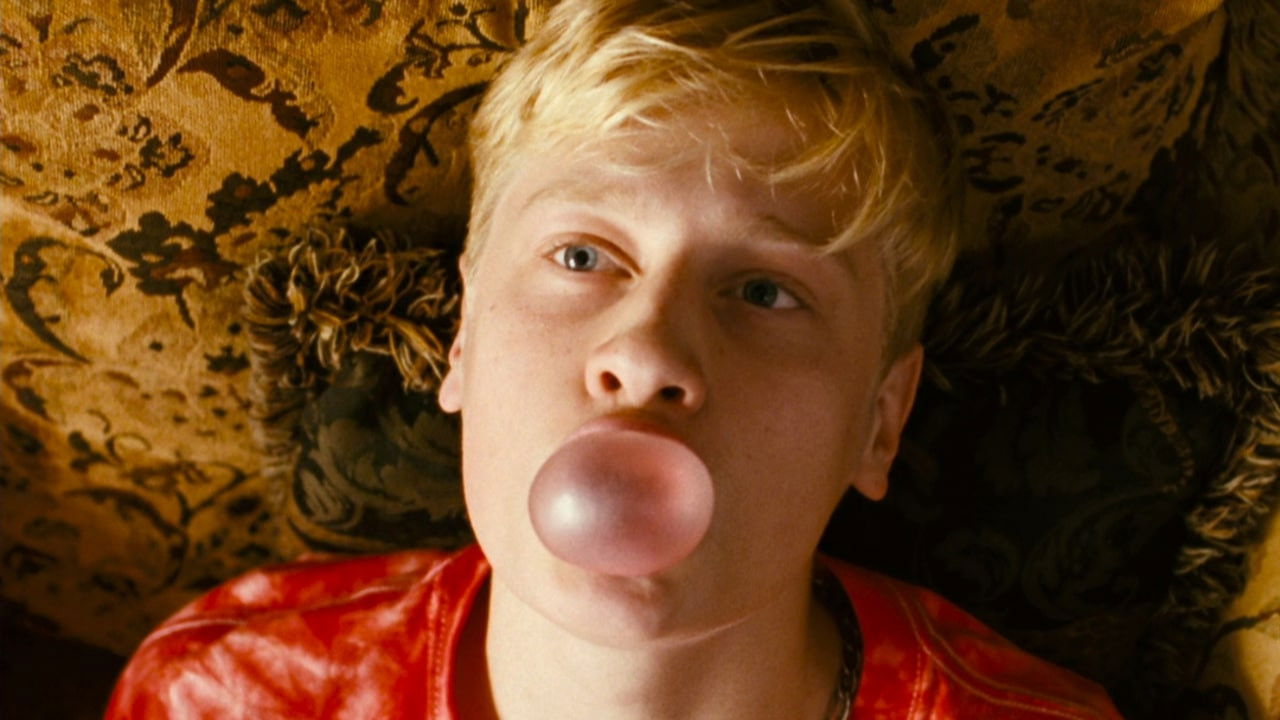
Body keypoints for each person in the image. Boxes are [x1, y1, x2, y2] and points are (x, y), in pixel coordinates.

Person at [106, 0, 1123, 718]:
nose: (645, 353)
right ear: (462, 336)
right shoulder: (223, 697)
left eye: (763, 291)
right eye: (582, 257)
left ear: (881, 421)